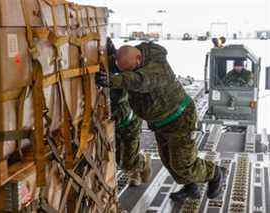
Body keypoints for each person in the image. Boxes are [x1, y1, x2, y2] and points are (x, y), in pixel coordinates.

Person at [97, 41, 226, 201]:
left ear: (138, 59)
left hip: (180, 119)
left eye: (129, 70)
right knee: (169, 161)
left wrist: (114, 81)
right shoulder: (134, 60)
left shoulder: (158, 65)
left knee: (183, 164)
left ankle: (215, 173)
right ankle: (191, 187)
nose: (126, 73)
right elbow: (126, 68)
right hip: (161, 123)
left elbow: (141, 81)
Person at [103, 38, 151, 186]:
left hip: (130, 121)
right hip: (115, 123)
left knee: (128, 162)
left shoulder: (123, 70)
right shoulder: (106, 66)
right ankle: (134, 171)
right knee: (117, 160)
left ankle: (143, 162)